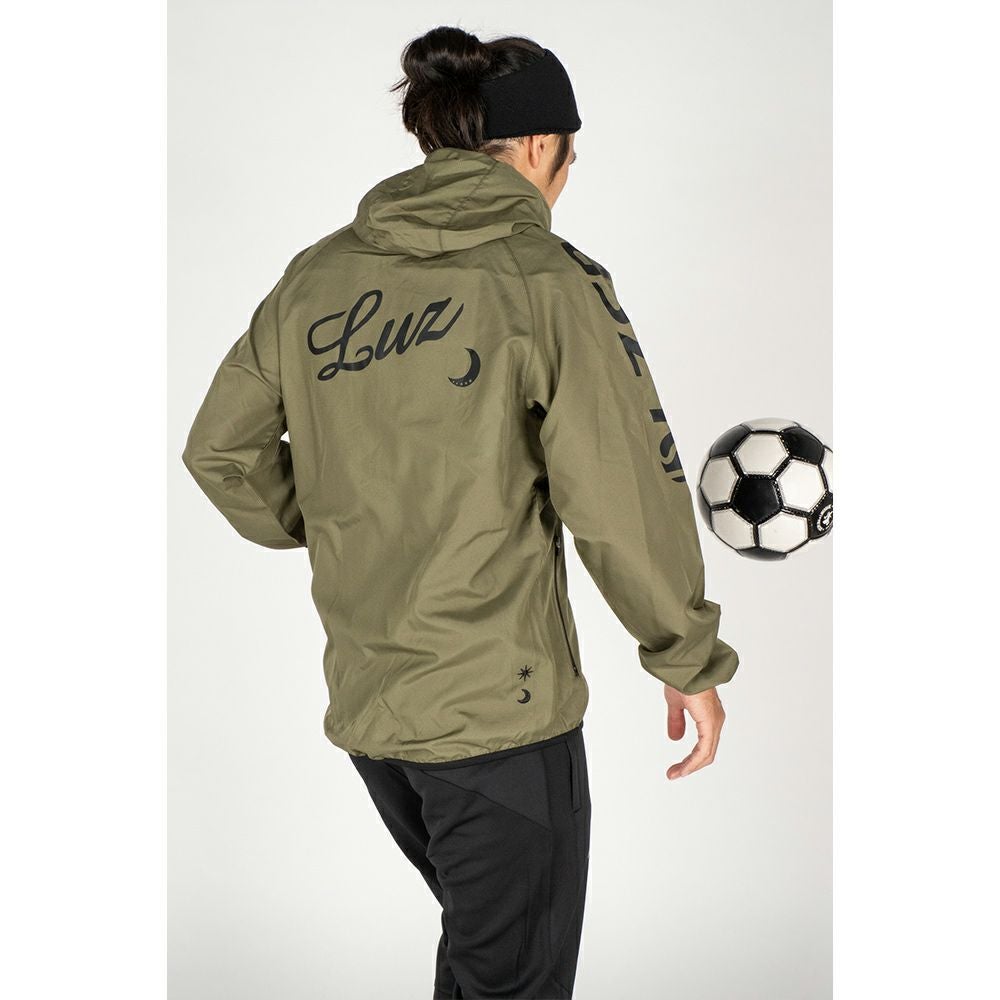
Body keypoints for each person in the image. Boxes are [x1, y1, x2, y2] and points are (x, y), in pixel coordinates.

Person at [182, 25, 739, 1000]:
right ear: (539, 146)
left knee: (485, 960)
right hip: (500, 721)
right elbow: (620, 494)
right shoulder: (546, 281)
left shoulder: (317, 276)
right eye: (570, 156)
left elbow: (220, 452)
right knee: (511, 980)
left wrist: (344, 519)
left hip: (376, 715)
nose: (566, 178)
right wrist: (684, 656)